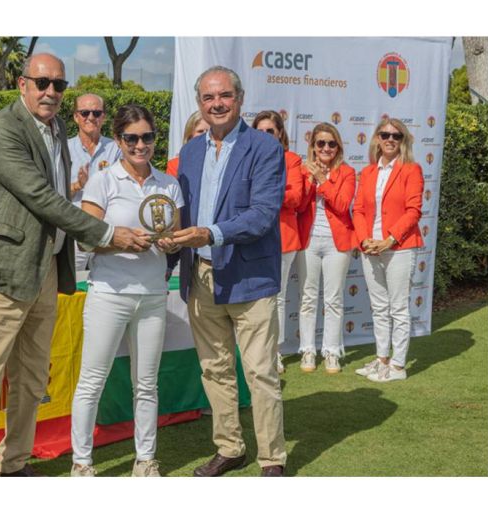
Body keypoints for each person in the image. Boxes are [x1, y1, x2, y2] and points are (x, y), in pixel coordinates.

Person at [0, 53, 150, 477]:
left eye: (58, 85)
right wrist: (104, 234)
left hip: (44, 268)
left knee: (31, 378)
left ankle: (14, 463)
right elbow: (42, 197)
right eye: (42, 83)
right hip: (2, 271)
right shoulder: (2, 128)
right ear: (21, 84)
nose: (50, 92)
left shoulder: (57, 126)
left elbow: (62, 193)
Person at [169, 65, 287, 477]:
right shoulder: (190, 152)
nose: (216, 104)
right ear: (199, 102)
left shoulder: (265, 148)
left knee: (259, 372)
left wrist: (210, 233)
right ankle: (230, 447)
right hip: (200, 276)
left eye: (224, 96)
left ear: (239, 99)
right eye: (208, 97)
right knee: (215, 369)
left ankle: (272, 457)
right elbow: (179, 210)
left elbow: (262, 215)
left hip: (249, 277)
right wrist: (169, 240)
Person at [70, 104, 183, 477]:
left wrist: (171, 244)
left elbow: (176, 235)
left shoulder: (168, 183)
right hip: (109, 292)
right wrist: (121, 242)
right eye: (131, 138)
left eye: (147, 137)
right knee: (92, 380)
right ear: (118, 140)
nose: (140, 145)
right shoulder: (102, 180)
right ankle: (82, 464)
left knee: (147, 383)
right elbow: (86, 239)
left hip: (152, 292)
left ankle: (145, 460)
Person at [352, 118, 424, 382]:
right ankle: (382, 359)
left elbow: (413, 211)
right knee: (379, 307)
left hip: (400, 248)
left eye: (396, 136)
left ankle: (397, 366)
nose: (390, 140)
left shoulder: (411, 170)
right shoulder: (369, 172)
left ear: (403, 141)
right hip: (370, 248)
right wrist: (364, 240)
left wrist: (389, 240)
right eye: (385, 135)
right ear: (377, 139)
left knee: (398, 309)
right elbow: (358, 209)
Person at [296, 122, 356, 374]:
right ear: (313, 147)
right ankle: (307, 350)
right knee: (307, 298)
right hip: (308, 240)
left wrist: (323, 180)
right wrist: (310, 179)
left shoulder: (347, 172)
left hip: (337, 243)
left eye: (331, 143)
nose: (326, 148)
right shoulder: (302, 170)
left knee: (333, 299)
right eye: (321, 143)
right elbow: (298, 205)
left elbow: (342, 205)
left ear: (338, 147)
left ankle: (331, 351)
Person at [252, 110, 305, 373]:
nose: (264, 136)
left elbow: (295, 197)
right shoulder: (247, 159)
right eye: (259, 131)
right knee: (254, 299)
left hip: (283, 237)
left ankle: (276, 352)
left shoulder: (291, 160)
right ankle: (255, 351)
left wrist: (262, 195)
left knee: (278, 297)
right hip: (251, 238)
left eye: (269, 131)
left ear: (280, 133)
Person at [68, 93, 123, 271]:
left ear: (104, 117)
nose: (91, 117)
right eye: (85, 113)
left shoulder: (117, 149)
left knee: (105, 286)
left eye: (96, 113)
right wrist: (78, 185)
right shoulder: (63, 148)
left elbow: (123, 188)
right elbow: (53, 194)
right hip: (74, 232)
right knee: (70, 289)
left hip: (106, 233)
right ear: (76, 117)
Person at [166, 111, 210, 177]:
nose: (206, 135)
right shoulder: (176, 165)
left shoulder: (222, 160)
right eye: (200, 131)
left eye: (210, 131)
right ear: (190, 136)